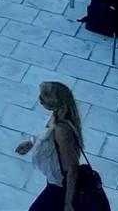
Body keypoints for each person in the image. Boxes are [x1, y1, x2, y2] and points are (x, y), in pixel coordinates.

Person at [13, 82, 84, 211]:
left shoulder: (62, 130)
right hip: (54, 182)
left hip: (60, 186)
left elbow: (72, 168)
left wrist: (68, 203)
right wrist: (31, 142)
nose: (40, 99)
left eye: (44, 96)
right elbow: (46, 134)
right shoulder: (57, 115)